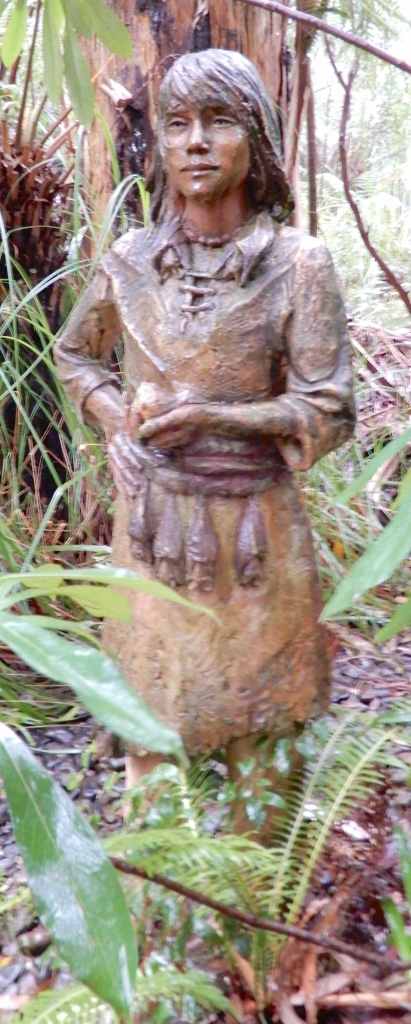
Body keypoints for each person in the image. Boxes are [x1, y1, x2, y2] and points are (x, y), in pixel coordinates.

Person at [54, 49, 355, 807]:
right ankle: (157, 871)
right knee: (150, 722)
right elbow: (74, 354)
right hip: (151, 530)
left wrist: (217, 416)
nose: (194, 142)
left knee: (265, 733)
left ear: (257, 138)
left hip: (257, 536)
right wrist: (116, 420)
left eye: (219, 122)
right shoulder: (130, 259)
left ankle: (260, 880)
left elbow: (329, 408)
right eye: (177, 123)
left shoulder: (299, 263)